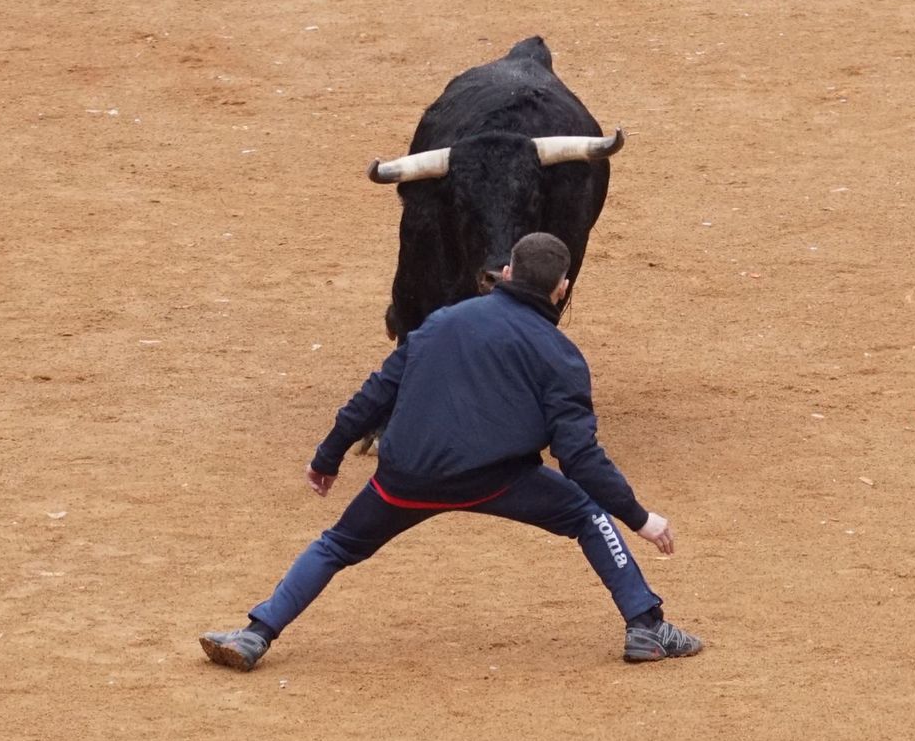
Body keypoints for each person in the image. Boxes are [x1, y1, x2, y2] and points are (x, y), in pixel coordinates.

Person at [200, 232, 703, 670]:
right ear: (562, 289)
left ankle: (256, 633)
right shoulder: (560, 356)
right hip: (498, 480)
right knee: (587, 515)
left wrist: (327, 456)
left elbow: (376, 392)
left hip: (405, 479)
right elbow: (579, 455)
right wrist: (640, 519)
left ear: (506, 272)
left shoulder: (442, 322)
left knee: (336, 546)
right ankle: (646, 626)